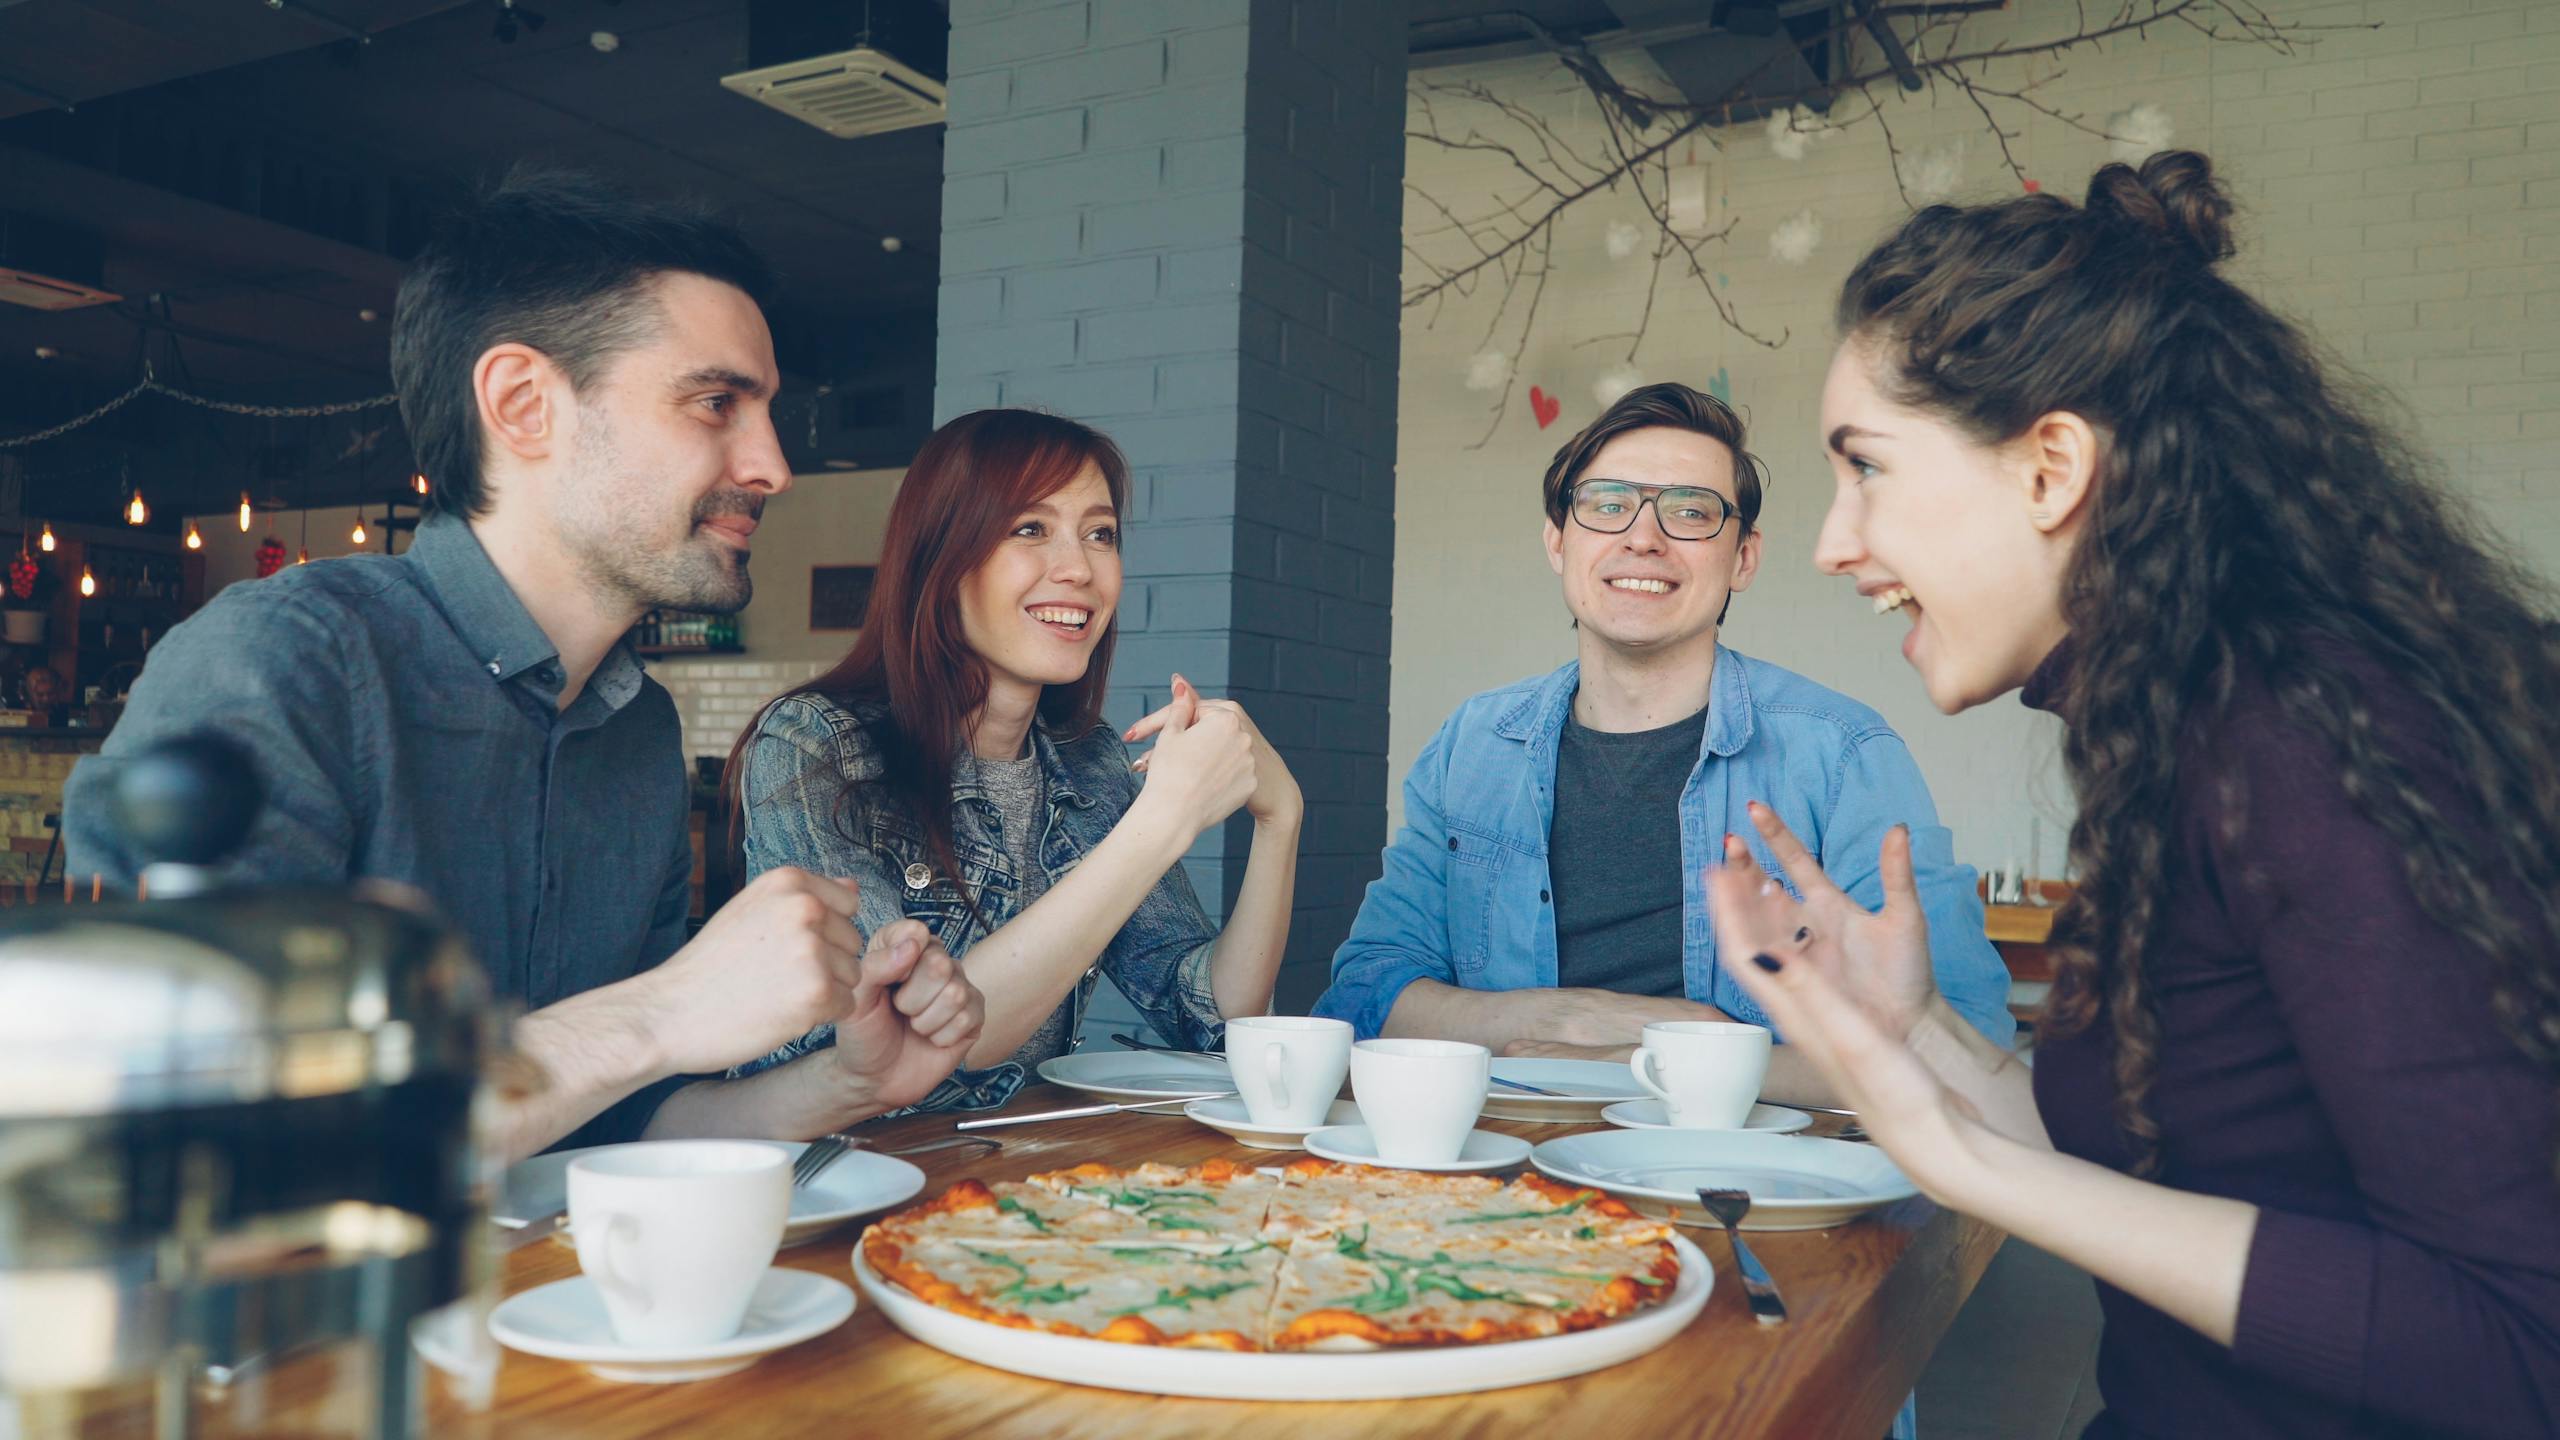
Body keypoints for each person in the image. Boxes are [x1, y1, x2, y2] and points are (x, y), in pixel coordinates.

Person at [1707, 151, 2560, 1439]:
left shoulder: (2314, 741)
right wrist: (1915, 1027)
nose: (1833, 542)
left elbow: (2518, 1346)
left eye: (1866, 467)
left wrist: (1959, 1162)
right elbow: (2161, 1182)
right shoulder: (2186, 724)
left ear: (2051, 468)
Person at [65, 171, 984, 1160]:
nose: (770, 466)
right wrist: (663, 1010)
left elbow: (622, 1122)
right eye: (716, 401)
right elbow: (186, 1132)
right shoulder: (282, 663)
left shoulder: (636, 725)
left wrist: (845, 1082)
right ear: (524, 404)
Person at [1314, 382, 2015, 1106]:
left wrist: (1671, 1053)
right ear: (1559, 542)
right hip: (1496, 1164)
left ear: (1743, 558)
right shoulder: (1473, 746)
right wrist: (1559, 1017)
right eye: (1608, 505)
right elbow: (1366, 993)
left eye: (1689, 512)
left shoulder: (1841, 754)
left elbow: (1964, 1040)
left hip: (1752, 1185)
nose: (1642, 538)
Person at [728, 408, 1300, 1112]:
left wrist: (1281, 820)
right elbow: (910, 1047)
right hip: (838, 1178)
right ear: (941, 555)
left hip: (1000, 1178)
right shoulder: (814, 747)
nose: (1079, 569)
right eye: (1030, 529)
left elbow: (1210, 1020)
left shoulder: (1086, 762)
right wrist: (1162, 823)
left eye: (1100, 534)